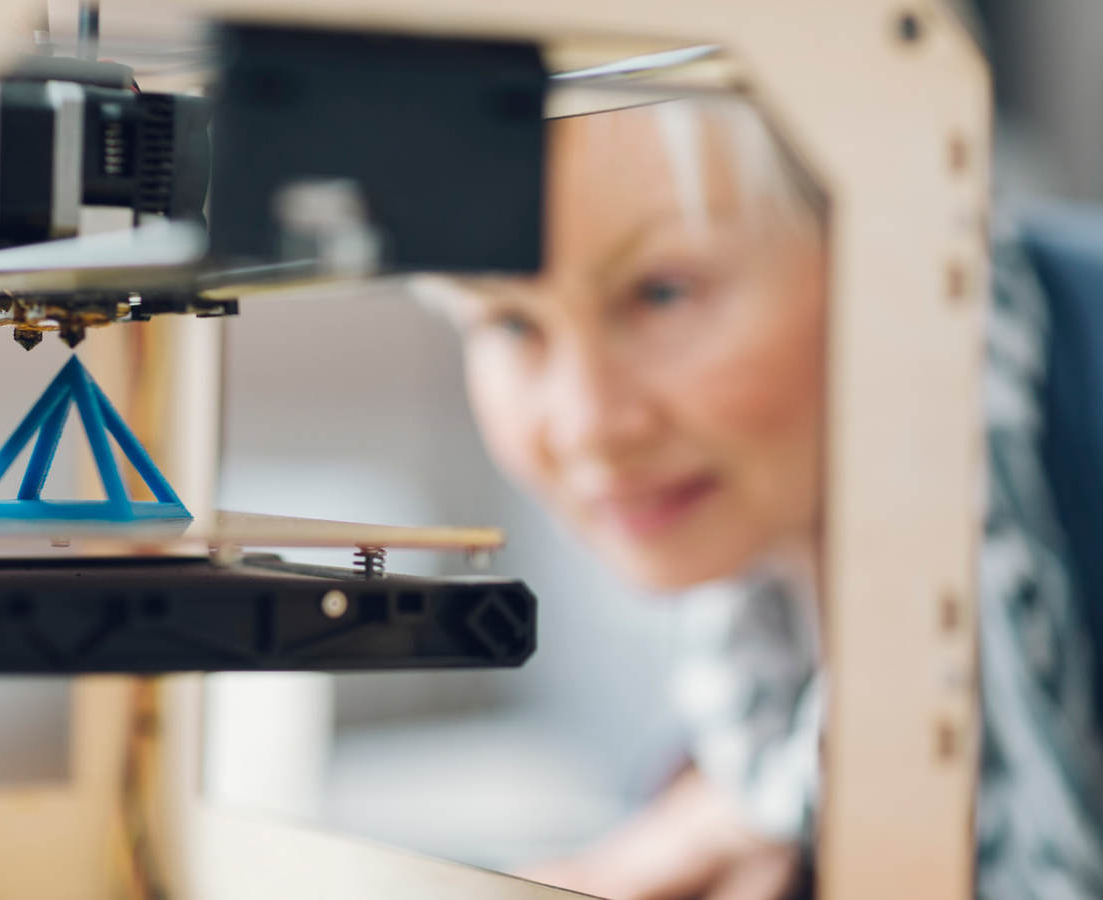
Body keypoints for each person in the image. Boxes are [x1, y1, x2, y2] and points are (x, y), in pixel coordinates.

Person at [415, 94, 1103, 899]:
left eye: (663, 293)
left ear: (879, 242)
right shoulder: (745, 687)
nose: (589, 425)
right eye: (508, 324)